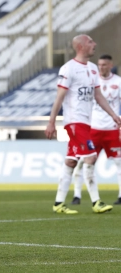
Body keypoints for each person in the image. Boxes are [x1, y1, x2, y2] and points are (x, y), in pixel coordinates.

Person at [45, 34, 121, 214]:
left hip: (86, 123)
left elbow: (98, 96)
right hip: (74, 122)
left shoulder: (93, 69)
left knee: (71, 161)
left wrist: (113, 115)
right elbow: (59, 97)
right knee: (90, 157)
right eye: (90, 42)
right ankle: (96, 201)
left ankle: (58, 203)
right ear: (80, 47)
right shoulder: (68, 68)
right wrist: (51, 122)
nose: (94, 44)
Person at [71, 54, 121, 205]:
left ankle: (120, 196)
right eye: (99, 65)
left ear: (110, 65)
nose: (101, 67)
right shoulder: (92, 81)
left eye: (104, 65)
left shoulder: (118, 82)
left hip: (112, 129)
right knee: (83, 161)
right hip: (93, 129)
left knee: (119, 162)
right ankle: (77, 195)